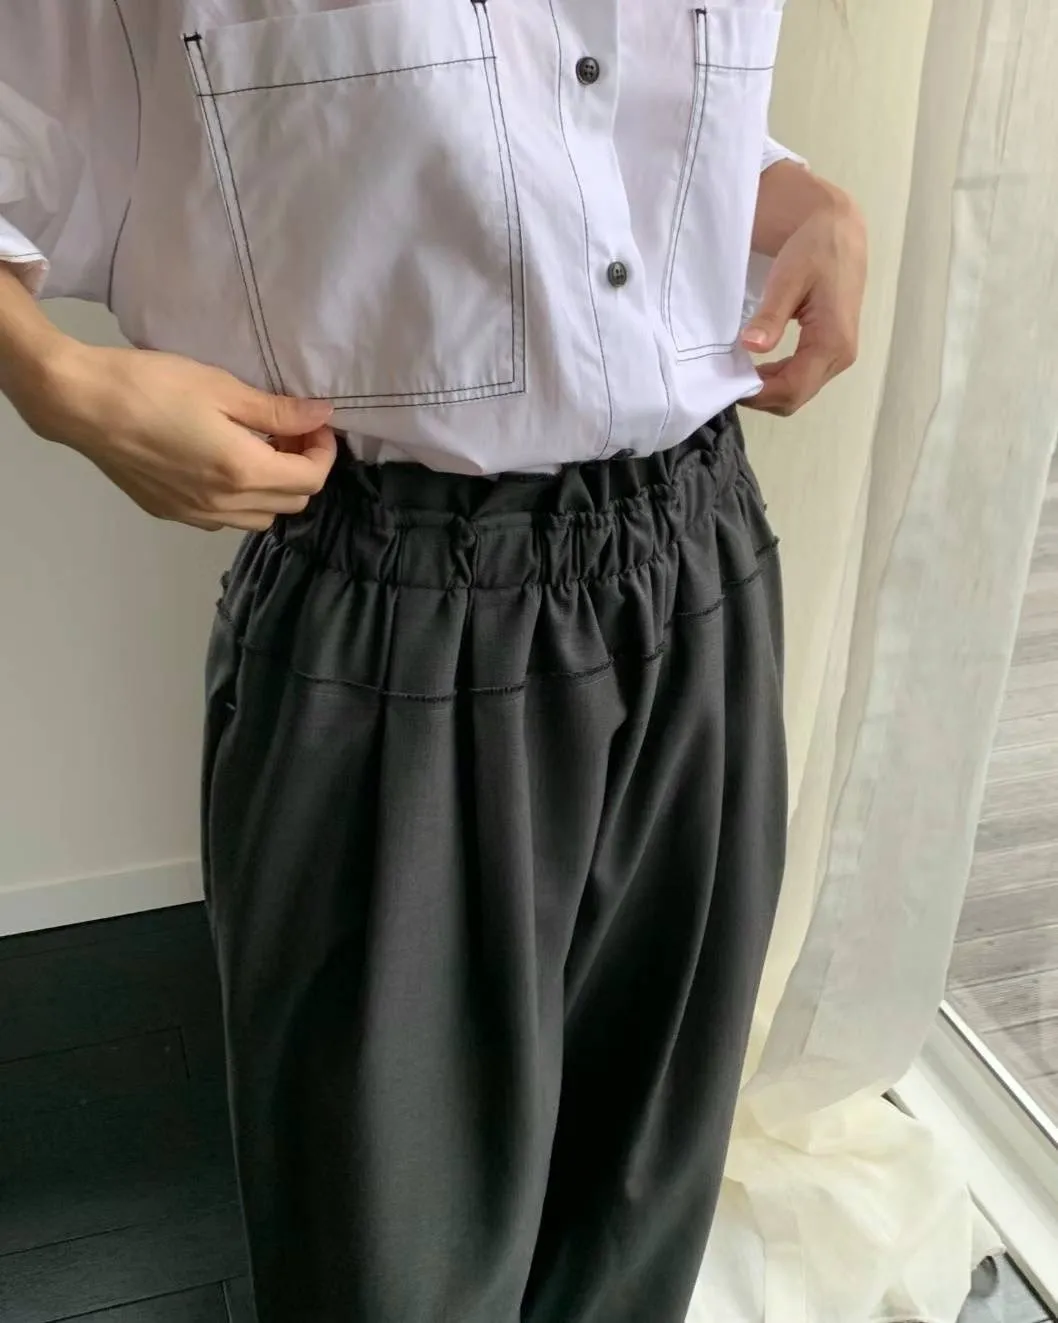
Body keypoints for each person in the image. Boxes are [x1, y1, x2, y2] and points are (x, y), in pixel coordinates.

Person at [0, 3, 866, 1320]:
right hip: (401, 618)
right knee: (390, 1266)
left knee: (639, 1213)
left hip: (702, 571)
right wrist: (58, 384)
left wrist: (808, 201)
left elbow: (577, 117)